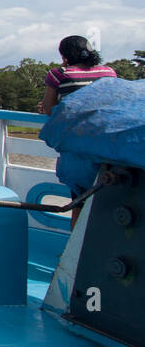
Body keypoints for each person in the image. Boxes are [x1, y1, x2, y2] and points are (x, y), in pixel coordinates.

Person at [38, 35, 118, 225]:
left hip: (80, 145)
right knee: (108, 196)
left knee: (79, 201)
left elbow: (49, 109)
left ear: (64, 56)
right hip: (109, 143)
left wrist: (47, 105)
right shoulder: (109, 72)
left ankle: (75, 252)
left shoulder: (60, 74)